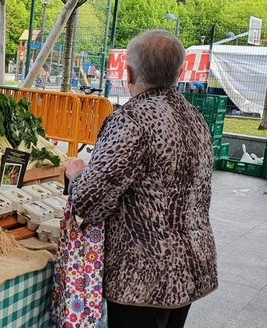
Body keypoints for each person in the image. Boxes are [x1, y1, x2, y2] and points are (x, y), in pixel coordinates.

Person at [63, 29, 217, 328]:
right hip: (190, 270)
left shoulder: (131, 120)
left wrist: (76, 174)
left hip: (142, 278)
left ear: (129, 72)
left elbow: (90, 202)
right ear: (179, 72)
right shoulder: (196, 118)